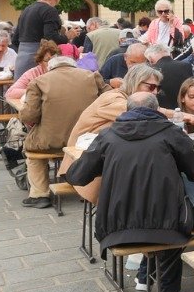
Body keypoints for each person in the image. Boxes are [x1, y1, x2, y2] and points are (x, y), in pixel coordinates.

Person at [66, 91, 194, 292]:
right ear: (156, 110)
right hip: (168, 228)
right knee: (170, 227)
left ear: (127, 110)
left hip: (115, 228)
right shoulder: (170, 133)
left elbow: (76, 176)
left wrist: (111, 164)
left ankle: (146, 279)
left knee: (160, 225)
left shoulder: (108, 135)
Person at [59, 64, 162, 204]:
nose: (155, 92)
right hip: (84, 164)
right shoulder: (113, 98)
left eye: (157, 88)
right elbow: (142, 113)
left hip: (102, 158)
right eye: (151, 87)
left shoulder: (125, 98)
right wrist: (178, 115)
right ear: (136, 82)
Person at [18, 49, 107, 207]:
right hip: (85, 139)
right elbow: (109, 98)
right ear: (73, 66)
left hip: (51, 140)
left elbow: (29, 116)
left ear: (50, 68)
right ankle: (83, 186)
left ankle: (40, 194)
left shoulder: (38, 81)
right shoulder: (92, 76)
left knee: (32, 153)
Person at [12, 0, 64, 77]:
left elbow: (15, 40)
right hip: (39, 60)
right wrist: (67, 36)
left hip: (21, 60)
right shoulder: (49, 10)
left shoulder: (26, 10)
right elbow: (51, 37)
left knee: (21, 89)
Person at [6, 39, 59, 107]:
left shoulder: (63, 71)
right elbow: (10, 93)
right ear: (40, 62)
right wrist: (35, 92)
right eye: (47, 60)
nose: (52, 63)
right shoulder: (33, 73)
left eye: (55, 60)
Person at [145, 44, 194, 110]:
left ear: (151, 59)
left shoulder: (149, 72)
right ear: (170, 54)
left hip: (160, 114)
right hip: (187, 112)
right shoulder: (188, 66)